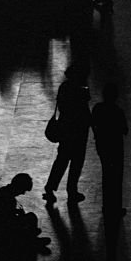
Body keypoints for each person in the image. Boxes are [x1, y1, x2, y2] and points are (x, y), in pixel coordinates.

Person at [44, 64, 91, 205]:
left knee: (62, 159)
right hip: (79, 130)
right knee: (76, 163)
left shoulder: (64, 87)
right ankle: (72, 191)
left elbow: (61, 106)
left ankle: (50, 187)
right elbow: (85, 109)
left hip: (66, 129)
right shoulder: (81, 90)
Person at [90, 82, 128, 220]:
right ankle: (116, 208)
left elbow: (93, 124)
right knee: (116, 178)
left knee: (106, 175)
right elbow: (125, 130)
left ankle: (106, 207)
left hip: (102, 146)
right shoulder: (118, 111)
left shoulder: (97, 108)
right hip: (116, 147)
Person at [0, 173, 51, 256]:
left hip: (3, 226)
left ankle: (30, 238)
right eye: (23, 190)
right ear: (19, 187)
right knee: (31, 217)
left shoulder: (4, 192)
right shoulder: (7, 198)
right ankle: (30, 241)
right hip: (4, 230)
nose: (23, 193)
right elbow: (6, 220)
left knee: (29, 220)